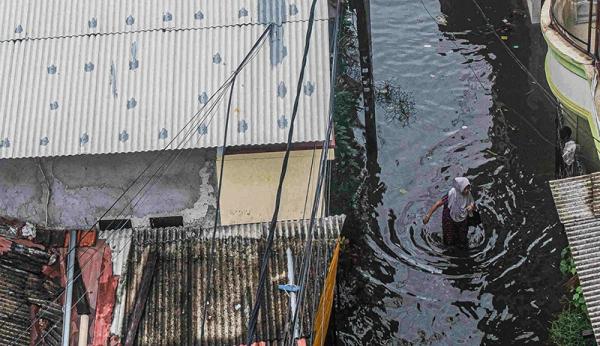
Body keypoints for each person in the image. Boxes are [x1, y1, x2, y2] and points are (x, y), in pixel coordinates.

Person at [423, 177, 476, 247]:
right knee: (448, 239)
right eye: (465, 188)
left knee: (463, 239)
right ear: (460, 187)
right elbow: (438, 204)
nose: (467, 190)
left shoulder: (468, 195)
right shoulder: (451, 194)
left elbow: (473, 205)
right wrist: (428, 216)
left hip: (462, 219)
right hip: (449, 218)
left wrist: (471, 207)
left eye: (468, 188)